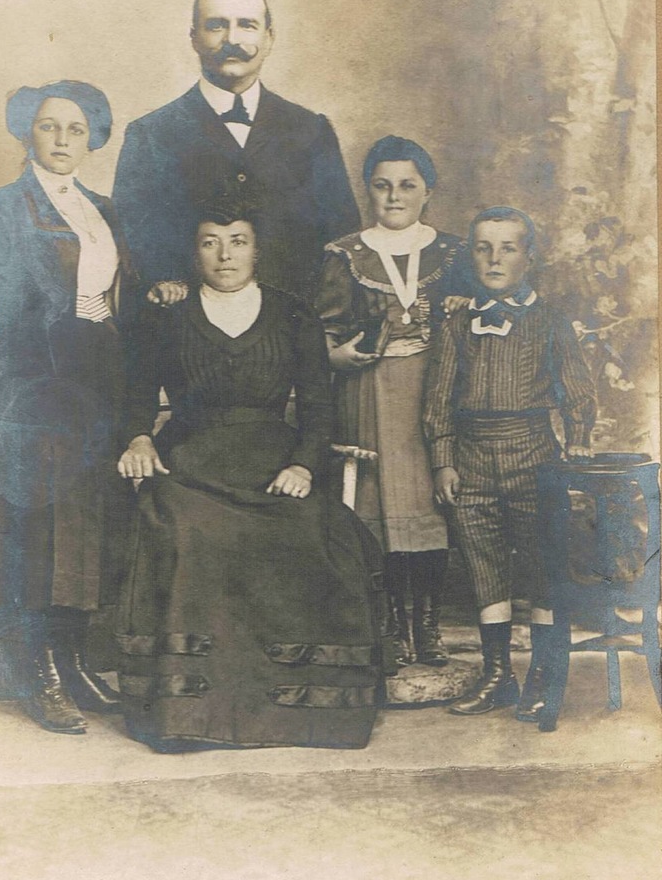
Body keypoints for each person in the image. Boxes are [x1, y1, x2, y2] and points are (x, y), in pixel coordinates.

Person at [115, 195, 392, 751]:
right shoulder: (167, 315)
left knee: (316, 529)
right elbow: (136, 397)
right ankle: (190, 714)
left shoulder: (293, 314)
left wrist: (303, 465)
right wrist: (140, 436)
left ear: (257, 249)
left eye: (237, 241)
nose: (225, 255)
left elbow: (317, 407)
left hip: (273, 457)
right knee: (186, 530)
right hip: (190, 458)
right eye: (210, 242)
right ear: (194, 252)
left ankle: (298, 711)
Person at [0, 81, 138, 734]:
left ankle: (73, 658)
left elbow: (114, 296)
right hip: (35, 393)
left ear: (93, 137)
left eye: (75, 130)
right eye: (49, 127)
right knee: (39, 533)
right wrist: (9, 381)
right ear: (29, 132)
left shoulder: (102, 208)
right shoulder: (5, 209)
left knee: (85, 527)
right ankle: (38, 673)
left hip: (97, 383)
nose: (61, 141)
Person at [423, 206, 596, 720]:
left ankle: (543, 673)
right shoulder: (457, 322)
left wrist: (580, 438)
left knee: (540, 567)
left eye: (508, 248)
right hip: (471, 457)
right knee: (484, 566)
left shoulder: (550, 319)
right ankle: (499, 675)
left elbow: (578, 390)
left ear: (529, 257)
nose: (495, 258)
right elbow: (437, 400)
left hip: (533, 453)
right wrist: (442, 461)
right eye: (483, 247)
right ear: (471, 254)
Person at [315, 136, 471, 670]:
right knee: (379, 510)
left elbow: (477, 317)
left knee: (428, 507)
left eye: (407, 185)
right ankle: (391, 623)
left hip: (434, 393)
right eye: (382, 186)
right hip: (371, 392)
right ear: (368, 191)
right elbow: (323, 332)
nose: (395, 196)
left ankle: (427, 620)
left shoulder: (454, 252)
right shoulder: (346, 253)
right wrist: (338, 357)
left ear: (428, 191)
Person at [112, 0, 359, 301]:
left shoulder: (312, 131)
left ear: (269, 38)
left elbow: (342, 237)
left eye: (247, 25)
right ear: (194, 38)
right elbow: (133, 240)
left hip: (294, 330)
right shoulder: (150, 134)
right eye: (216, 26)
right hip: (188, 334)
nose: (232, 39)